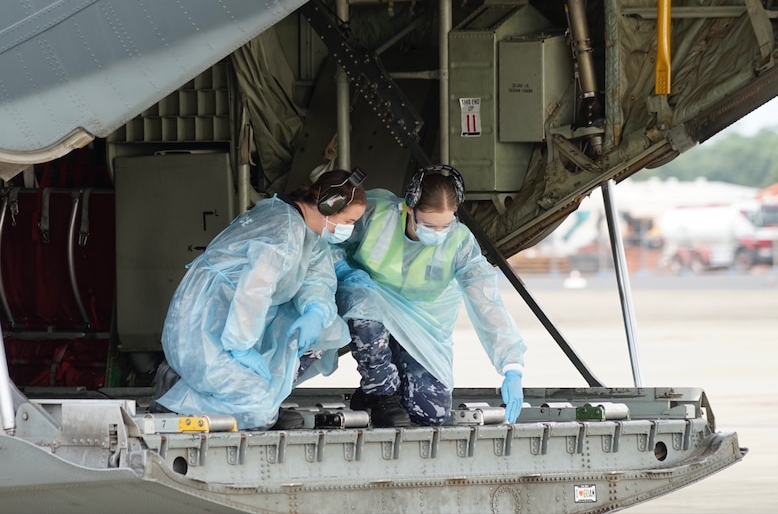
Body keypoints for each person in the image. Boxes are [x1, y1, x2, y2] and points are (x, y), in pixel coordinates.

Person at [152, 168, 367, 430]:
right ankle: (176, 393)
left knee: (328, 327)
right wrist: (240, 346)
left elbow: (317, 280)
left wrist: (315, 311)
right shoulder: (283, 230)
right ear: (327, 205)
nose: (349, 230)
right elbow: (254, 290)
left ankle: (251, 394)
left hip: (240, 325)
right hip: (204, 327)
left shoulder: (309, 231)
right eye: (348, 221)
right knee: (258, 412)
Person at [334, 165, 526, 428]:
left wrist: (511, 365)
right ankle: (380, 392)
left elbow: (486, 300)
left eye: (445, 225)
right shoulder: (377, 216)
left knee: (431, 413)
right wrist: (346, 272)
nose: (437, 234)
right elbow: (328, 244)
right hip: (372, 311)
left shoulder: (458, 242)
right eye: (428, 224)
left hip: (422, 325)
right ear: (409, 208)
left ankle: (385, 389)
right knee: (361, 302)